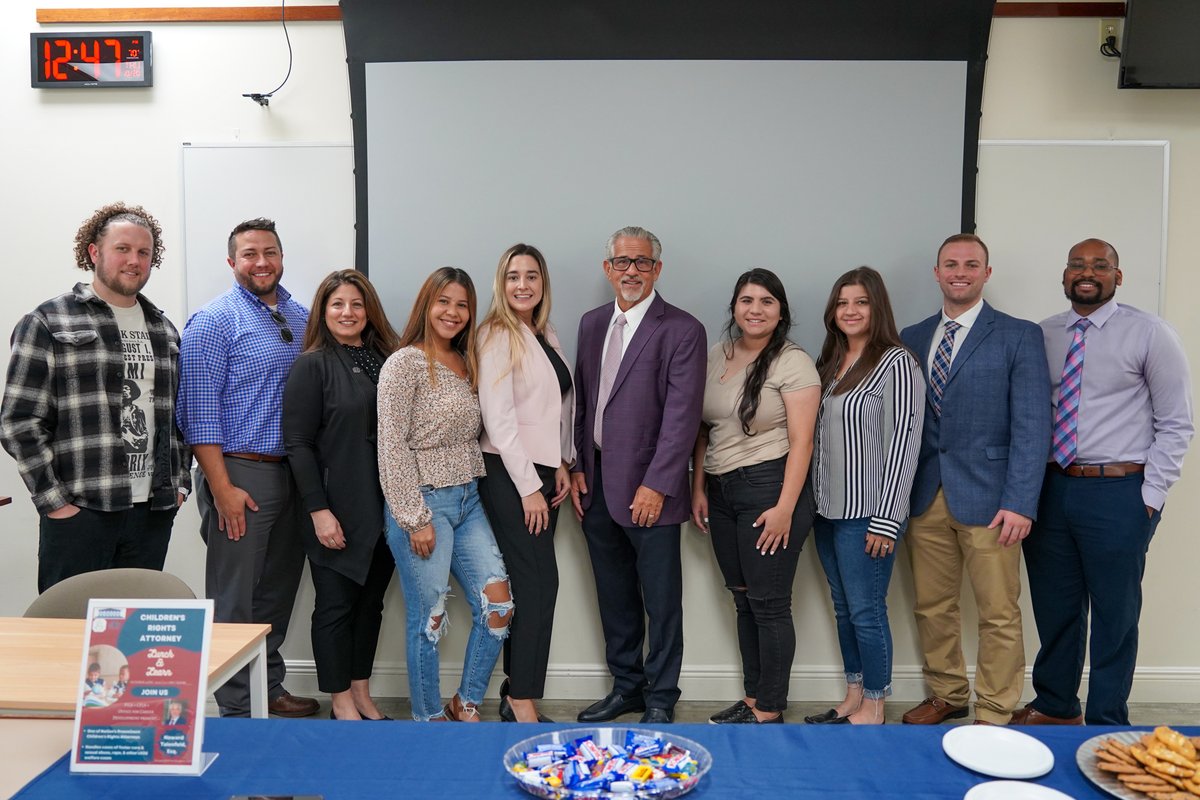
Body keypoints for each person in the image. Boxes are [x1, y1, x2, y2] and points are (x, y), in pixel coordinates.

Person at [1014, 238, 1193, 726]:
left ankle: (1107, 718)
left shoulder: (1150, 333)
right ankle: (1055, 704)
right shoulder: (1043, 335)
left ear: (1119, 275)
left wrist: (1150, 498)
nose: (1086, 272)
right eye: (1077, 265)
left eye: (1099, 265)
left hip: (1119, 492)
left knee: (1115, 614)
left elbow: (1176, 422)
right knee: (1056, 607)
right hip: (1052, 489)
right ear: (1065, 275)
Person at [898, 234, 1051, 726]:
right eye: (950, 264)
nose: (959, 272)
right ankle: (947, 693)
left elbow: (1033, 425)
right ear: (936, 272)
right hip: (925, 493)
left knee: (999, 612)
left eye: (971, 264)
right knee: (932, 606)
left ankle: (995, 707)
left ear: (987, 273)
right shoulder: (913, 335)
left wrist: (1021, 501)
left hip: (993, 499)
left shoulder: (1018, 335)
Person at [1, 202, 189, 593]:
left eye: (144, 252)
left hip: (152, 511)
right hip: (82, 509)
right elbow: (18, 421)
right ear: (94, 252)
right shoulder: (49, 321)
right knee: (67, 634)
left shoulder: (164, 329)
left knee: (133, 635)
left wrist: (180, 485)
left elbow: (177, 415)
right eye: (123, 249)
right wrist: (54, 501)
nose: (134, 260)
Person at [176, 218, 318, 719]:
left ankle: (269, 686)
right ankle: (236, 705)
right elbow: (198, 412)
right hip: (240, 471)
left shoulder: (304, 317)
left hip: (294, 475)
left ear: (282, 257)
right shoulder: (214, 322)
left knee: (278, 589)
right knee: (235, 596)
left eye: (271, 252)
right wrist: (221, 487)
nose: (262, 262)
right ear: (232, 262)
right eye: (250, 253)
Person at [570, 226, 706, 725]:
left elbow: (683, 417)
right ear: (608, 269)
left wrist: (657, 483)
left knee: (661, 599)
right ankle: (626, 687)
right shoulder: (590, 324)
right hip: (597, 484)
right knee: (614, 594)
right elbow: (583, 403)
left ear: (657, 269)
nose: (632, 270)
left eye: (642, 262)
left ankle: (661, 696)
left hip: (652, 488)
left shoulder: (682, 329)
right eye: (622, 262)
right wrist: (580, 466)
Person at [377, 267, 514, 722]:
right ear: (426, 305)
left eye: (462, 304)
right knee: (429, 619)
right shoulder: (404, 363)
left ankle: (465, 702)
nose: (452, 312)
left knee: (498, 605)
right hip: (423, 500)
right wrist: (414, 517)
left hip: (469, 498)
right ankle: (428, 720)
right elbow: (391, 444)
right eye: (443, 302)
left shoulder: (469, 359)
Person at [691, 269, 820, 725]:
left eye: (767, 301)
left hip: (770, 488)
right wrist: (698, 487)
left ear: (780, 311)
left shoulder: (793, 362)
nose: (755, 309)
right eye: (747, 300)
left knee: (769, 603)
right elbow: (705, 427)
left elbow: (803, 442)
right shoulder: (716, 355)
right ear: (734, 308)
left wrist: (785, 507)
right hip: (722, 491)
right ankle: (753, 698)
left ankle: (770, 707)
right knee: (743, 597)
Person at [283, 270, 400, 721]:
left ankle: (362, 693)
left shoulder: (387, 359)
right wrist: (319, 511)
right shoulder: (312, 364)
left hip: (388, 508)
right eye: (337, 305)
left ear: (368, 310)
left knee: (371, 606)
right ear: (323, 312)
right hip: (337, 508)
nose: (348, 313)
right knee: (335, 607)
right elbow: (298, 443)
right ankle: (340, 701)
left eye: (356, 304)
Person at [808, 266, 923, 725]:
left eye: (860, 302)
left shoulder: (897, 362)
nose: (850, 311)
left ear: (877, 308)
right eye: (842, 303)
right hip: (825, 510)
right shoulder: (830, 364)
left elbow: (906, 440)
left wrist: (888, 517)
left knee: (867, 610)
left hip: (867, 513)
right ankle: (853, 694)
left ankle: (875, 702)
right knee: (843, 608)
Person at [476, 245, 574, 723]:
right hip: (510, 473)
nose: (522, 284)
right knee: (538, 585)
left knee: (533, 584)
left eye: (531, 275)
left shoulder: (544, 332)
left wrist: (561, 463)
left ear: (542, 283)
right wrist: (527, 486)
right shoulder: (496, 333)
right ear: (501, 282)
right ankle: (521, 700)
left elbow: (552, 409)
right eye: (513, 276)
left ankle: (517, 693)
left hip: (542, 470)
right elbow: (498, 420)